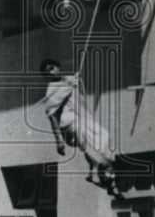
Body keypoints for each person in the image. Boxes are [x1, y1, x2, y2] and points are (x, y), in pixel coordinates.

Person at [40, 58, 119, 195]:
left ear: (59, 68)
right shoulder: (52, 90)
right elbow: (52, 116)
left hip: (84, 119)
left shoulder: (71, 80)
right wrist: (58, 141)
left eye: (53, 68)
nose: (52, 73)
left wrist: (74, 82)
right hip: (70, 125)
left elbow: (80, 96)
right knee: (85, 137)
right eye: (48, 72)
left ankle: (98, 171)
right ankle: (100, 173)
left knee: (103, 135)